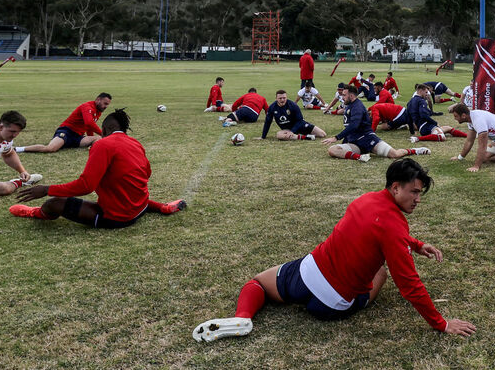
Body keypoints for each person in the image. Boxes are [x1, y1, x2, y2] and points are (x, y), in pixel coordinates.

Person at [191, 159, 476, 342]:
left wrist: (415, 243)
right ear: (395, 187)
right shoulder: (393, 226)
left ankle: (243, 317)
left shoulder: (366, 199)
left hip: (305, 275)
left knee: (257, 282)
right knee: (383, 271)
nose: (417, 199)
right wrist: (441, 324)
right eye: (413, 192)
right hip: (331, 303)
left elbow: (382, 233)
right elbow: (410, 285)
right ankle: (356, 299)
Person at [9, 108, 186, 227]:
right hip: (139, 206)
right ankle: (162, 207)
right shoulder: (135, 142)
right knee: (128, 192)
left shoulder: (102, 145)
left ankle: (37, 213)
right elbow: (147, 174)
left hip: (119, 217)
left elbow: (86, 186)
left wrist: (47, 189)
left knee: (53, 204)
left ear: (106, 128)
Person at [321, 85, 428, 162]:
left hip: (367, 139)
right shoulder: (349, 104)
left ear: (352, 96)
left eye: (344, 95)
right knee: (333, 150)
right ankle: (360, 157)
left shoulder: (358, 107)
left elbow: (354, 125)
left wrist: (336, 137)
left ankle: (414, 150)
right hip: (355, 143)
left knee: (394, 154)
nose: (342, 97)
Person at [17, 93, 111, 153]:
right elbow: (89, 123)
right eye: (105, 103)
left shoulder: (98, 111)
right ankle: (18, 149)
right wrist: (104, 134)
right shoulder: (87, 107)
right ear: (98, 100)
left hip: (78, 137)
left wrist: (91, 138)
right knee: (50, 149)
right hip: (66, 132)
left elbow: (89, 127)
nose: (106, 106)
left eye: (107, 104)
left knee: (98, 138)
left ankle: (93, 150)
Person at [262, 90, 327, 140]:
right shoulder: (272, 107)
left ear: (286, 97)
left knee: (322, 134)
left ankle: (300, 134)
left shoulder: (293, 105)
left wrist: (292, 131)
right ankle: (304, 137)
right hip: (287, 129)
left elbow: (300, 120)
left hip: (300, 126)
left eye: (284, 98)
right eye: (280, 98)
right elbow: (268, 121)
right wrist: (263, 136)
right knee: (279, 135)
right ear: (276, 98)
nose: (282, 100)